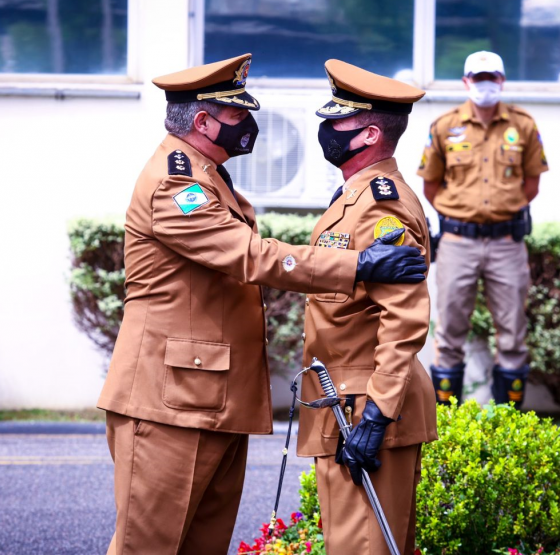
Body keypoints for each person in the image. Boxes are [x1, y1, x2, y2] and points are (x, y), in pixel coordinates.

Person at [97, 53, 428, 555]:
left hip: (207, 399)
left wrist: (379, 411)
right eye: (237, 115)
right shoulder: (176, 181)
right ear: (203, 121)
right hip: (170, 402)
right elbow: (248, 256)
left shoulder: (211, 178)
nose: (249, 125)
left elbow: (401, 317)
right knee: (149, 547)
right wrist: (357, 265)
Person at [296, 59, 437, 555]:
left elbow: (404, 319)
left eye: (339, 121)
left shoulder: (382, 204)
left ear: (369, 133)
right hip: (346, 402)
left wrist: (376, 416)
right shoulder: (354, 196)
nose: (327, 130)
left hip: (367, 406)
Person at [418, 51, 548, 409]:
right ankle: (446, 422)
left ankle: (508, 423)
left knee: (513, 336)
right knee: (449, 335)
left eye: (491, 78)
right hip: (458, 243)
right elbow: (431, 186)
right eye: (478, 78)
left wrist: (504, 210)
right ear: (466, 82)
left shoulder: (522, 124)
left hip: (507, 243)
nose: (485, 85)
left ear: (502, 81)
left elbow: (532, 182)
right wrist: (461, 213)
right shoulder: (445, 126)